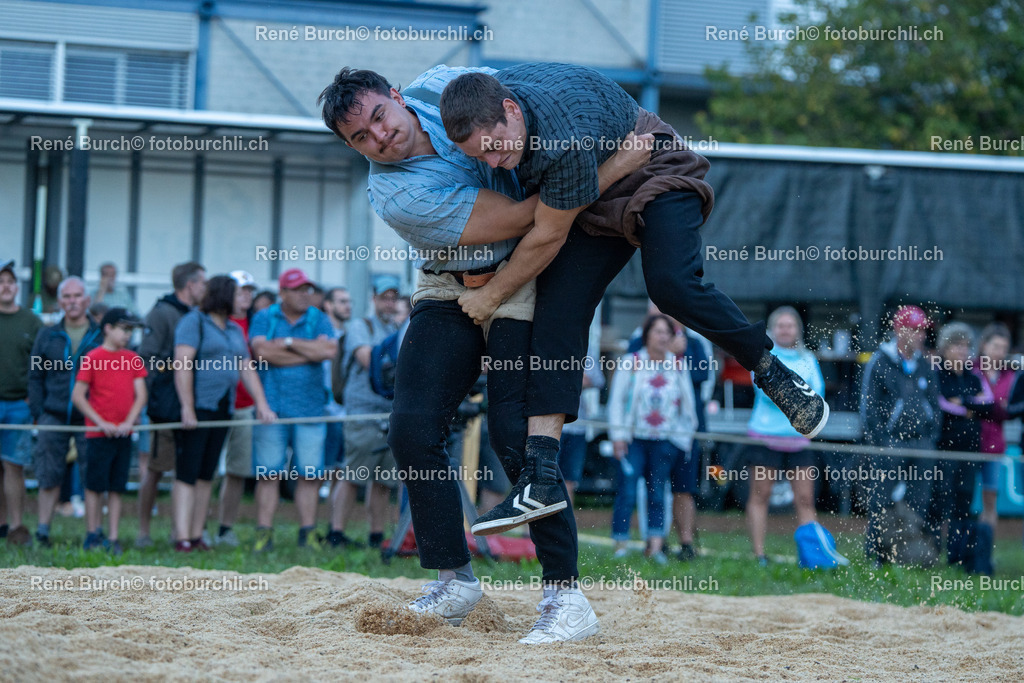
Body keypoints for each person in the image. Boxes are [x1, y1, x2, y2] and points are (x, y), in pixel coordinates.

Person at [318, 65, 645, 641]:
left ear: (397, 96)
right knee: (411, 429)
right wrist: (608, 169)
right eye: (360, 139)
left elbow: (527, 113)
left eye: (378, 117)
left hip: (522, 274)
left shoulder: (447, 83)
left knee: (516, 439)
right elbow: (521, 215)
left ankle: (566, 599)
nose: (379, 138)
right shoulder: (392, 192)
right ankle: (454, 578)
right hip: (451, 282)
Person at [438, 64, 829, 538]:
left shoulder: (563, 133)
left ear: (510, 110)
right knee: (558, 311)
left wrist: (492, 295)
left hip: (652, 169)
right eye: (481, 157)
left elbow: (547, 232)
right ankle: (541, 474)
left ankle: (770, 370)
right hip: (594, 195)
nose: (495, 162)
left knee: (671, 286)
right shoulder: (491, 97)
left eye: (496, 148)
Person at [173, 275, 275, 552]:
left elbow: (246, 367)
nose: (242, 300)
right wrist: (187, 407)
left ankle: (196, 535)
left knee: (207, 473)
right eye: (236, 294)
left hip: (223, 406)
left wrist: (262, 404)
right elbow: (182, 364)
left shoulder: (233, 328)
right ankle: (181, 535)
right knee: (187, 472)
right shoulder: (193, 322)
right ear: (222, 295)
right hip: (198, 406)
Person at [744, 306, 847, 569]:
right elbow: (766, 393)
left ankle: (810, 558)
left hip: (798, 439)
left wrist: (793, 396)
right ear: (772, 329)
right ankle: (759, 555)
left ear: (798, 330)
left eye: (790, 326)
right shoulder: (762, 357)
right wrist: (795, 397)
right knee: (760, 496)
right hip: (766, 437)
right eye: (780, 325)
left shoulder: (808, 358)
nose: (785, 330)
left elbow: (817, 394)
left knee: (804, 499)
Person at [249, 268, 336, 551]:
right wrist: (307, 352)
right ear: (282, 293)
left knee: (310, 476)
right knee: (268, 474)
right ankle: (264, 533)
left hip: (311, 409)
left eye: (307, 290)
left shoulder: (318, 316)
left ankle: (307, 532)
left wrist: (287, 343)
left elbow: (328, 352)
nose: (304, 295)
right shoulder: (264, 316)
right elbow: (261, 353)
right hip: (271, 410)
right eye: (298, 290)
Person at [606, 314, 697, 563]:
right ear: (646, 335)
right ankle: (620, 545)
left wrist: (683, 436)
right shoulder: (631, 362)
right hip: (634, 439)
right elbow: (616, 402)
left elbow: (688, 405)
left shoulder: (678, 365)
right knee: (627, 489)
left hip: (665, 441)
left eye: (667, 332)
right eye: (657, 331)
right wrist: (618, 435)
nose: (662, 337)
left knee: (657, 492)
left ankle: (655, 547)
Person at [860, 305, 941, 565]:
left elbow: (935, 406)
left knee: (919, 501)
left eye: (921, 330)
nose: (919, 335)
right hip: (890, 443)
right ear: (898, 329)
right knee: (881, 500)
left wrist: (930, 439)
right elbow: (868, 407)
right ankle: (876, 554)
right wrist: (882, 441)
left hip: (921, 445)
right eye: (913, 329)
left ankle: (910, 556)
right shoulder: (879, 361)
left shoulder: (925, 365)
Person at [136, 261, 206, 547]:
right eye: (203, 282)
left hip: (194, 404)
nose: (206, 288)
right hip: (165, 407)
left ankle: (182, 531)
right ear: (190, 285)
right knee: (156, 468)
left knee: (186, 470)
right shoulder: (162, 313)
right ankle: (143, 530)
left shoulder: (199, 315)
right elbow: (146, 359)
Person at [27, 276, 102, 547]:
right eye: (67, 297)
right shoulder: (47, 335)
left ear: (87, 300)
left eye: (77, 296)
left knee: (92, 474)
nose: (72, 302)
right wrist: (39, 410)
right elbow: (35, 375)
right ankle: (43, 531)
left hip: (91, 416)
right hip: (53, 414)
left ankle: (93, 533)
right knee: (48, 474)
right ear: (60, 302)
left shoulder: (100, 334)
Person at [328, 275, 398, 549]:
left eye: (393, 297)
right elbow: (369, 361)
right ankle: (336, 534)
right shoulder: (360, 326)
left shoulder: (397, 328)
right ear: (374, 298)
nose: (389, 302)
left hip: (388, 413)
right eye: (384, 297)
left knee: (384, 479)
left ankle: (376, 536)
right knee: (353, 474)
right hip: (362, 412)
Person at [71, 308, 148, 554]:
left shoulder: (133, 358)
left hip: (123, 435)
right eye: (124, 329)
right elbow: (78, 396)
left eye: (130, 331)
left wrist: (129, 421)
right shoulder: (93, 357)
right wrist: (100, 422)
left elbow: (141, 394)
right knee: (94, 486)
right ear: (108, 328)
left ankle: (113, 537)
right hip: (97, 435)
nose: (127, 335)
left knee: (116, 487)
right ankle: (92, 533)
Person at [934, 322, 993, 572]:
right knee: (940, 501)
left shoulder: (973, 375)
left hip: (970, 450)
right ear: (945, 348)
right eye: (957, 345)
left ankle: (957, 555)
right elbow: (941, 404)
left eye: (966, 346)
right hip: (944, 449)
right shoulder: (937, 373)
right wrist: (972, 406)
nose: (962, 350)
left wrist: (965, 403)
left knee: (963, 503)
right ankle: (933, 552)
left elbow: (988, 405)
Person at [213, 270, 259, 547]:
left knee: (237, 470)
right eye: (241, 290)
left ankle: (224, 528)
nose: (246, 296)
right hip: (215, 406)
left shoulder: (257, 322)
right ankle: (194, 530)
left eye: (249, 291)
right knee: (203, 472)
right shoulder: (214, 322)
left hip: (245, 405)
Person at [0, 259, 44, 546]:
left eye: (10, 282)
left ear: (17, 288)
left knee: (14, 465)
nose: (5, 286)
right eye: (1, 282)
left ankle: (17, 527)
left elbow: (42, 363)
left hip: (18, 404)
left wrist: (34, 397)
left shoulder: (31, 322)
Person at [972, 322, 1015, 572]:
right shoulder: (971, 370)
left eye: (1003, 347)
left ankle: (986, 556)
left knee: (990, 502)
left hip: (994, 445)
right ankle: (965, 555)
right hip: (969, 444)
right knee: (963, 500)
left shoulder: (1010, 375)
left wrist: (987, 407)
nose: (999, 351)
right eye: (995, 345)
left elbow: (1008, 410)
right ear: (984, 346)